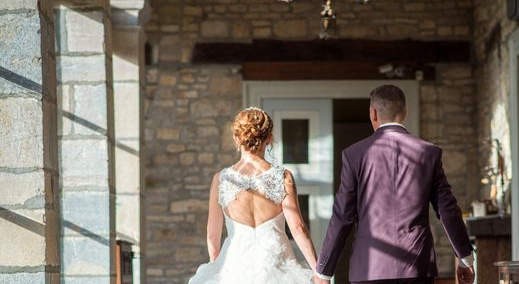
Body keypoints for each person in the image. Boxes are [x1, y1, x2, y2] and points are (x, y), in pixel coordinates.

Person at [313, 85, 475, 284]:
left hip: (369, 268)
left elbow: (342, 216)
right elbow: (447, 209)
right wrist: (465, 258)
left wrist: (324, 272)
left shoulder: (354, 155)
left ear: (373, 113)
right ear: (404, 112)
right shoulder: (429, 152)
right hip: (416, 267)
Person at [188, 107, 316, 283]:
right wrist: (318, 271)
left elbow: (212, 235)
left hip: (233, 270)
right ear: (269, 139)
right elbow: (298, 228)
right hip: (279, 268)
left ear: (236, 139)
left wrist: (217, 268)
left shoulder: (221, 179)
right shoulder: (282, 177)